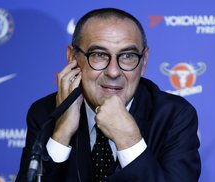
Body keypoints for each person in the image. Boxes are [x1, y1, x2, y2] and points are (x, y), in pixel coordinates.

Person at [16, 8, 201, 182]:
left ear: (143, 62)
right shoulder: (45, 113)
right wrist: (62, 132)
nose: (113, 72)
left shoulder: (174, 116)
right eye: (99, 54)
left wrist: (129, 140)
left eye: (128, 56)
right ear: (72, 58)